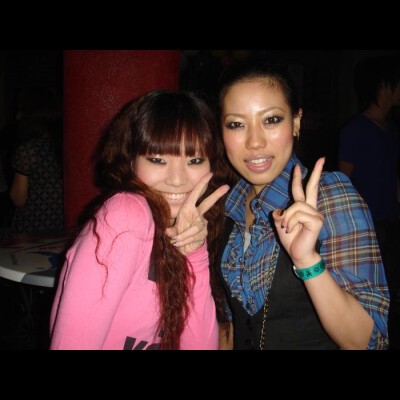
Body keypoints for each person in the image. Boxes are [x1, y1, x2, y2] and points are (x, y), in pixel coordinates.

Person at [217, 59, 389, 350]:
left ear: (296, 122)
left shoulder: (330, 194)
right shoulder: (225, 207)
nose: (255, 142)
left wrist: (308, 261)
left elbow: (367, 341)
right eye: (236, 124)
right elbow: (229, 324)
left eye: (271, 120)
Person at [49, 89, 230, 350]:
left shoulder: (187, 225)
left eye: (194, 160)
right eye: (157, 159)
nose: (177, 180)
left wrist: (194, 254)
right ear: (131, 161)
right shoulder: (125, 215)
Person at [338, 55, 400, 349]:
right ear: (384, 86)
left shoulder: (393, 128)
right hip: (367, 229)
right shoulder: (355, 130)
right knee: (368, 297)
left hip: (392, 221)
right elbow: (343, 183)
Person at [8, 88, 63, 236]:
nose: (17, 116)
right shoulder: (63, 145)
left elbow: (18, 198)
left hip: (33, 225)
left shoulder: (28, 150)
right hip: (61, 222)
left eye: (21, 110)